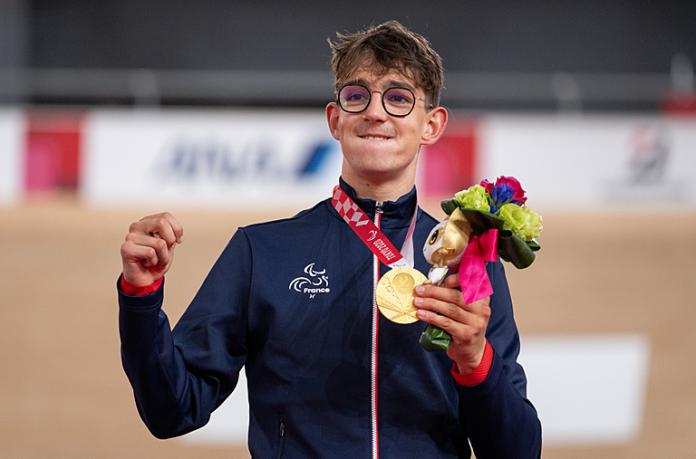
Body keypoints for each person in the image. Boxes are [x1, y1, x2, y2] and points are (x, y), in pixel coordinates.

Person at [118, 20, 542, 458]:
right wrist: (141, 298)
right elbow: (171, 410)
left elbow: (518, 451)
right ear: (335, 119)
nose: (375, 112)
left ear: (431, 125)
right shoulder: (261, 252)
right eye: (357, 96)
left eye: (398, 98)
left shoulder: (469, 265)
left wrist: (475, 361)